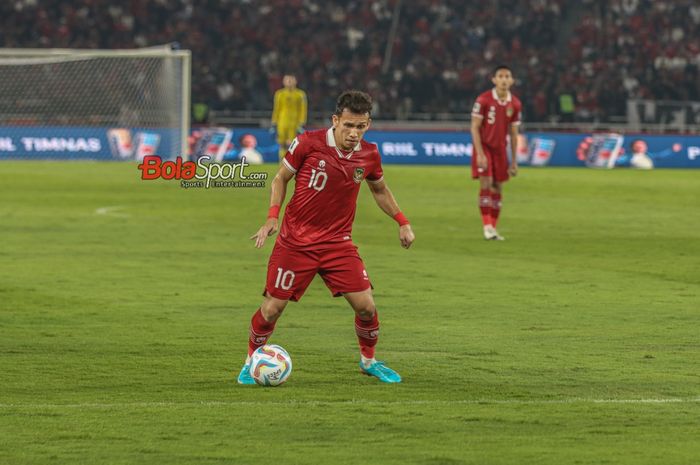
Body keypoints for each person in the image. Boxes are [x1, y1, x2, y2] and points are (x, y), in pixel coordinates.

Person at [238, 90, 415, 384]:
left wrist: (402, 222)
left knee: (367, 306)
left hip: (337, 244)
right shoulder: (309, 143)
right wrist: (272, 217)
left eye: (360, 126)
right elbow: (280, 178)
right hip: (295, 242)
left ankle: (369, 361)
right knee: (271, 309)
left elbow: (380, 190)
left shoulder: (369, 154)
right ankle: (251, 362)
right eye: (348, 125)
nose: (354, 132)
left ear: (368, 125)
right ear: (335, 120)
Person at [470, 65, 522, 240]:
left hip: (500, 149)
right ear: (494, 80)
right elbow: (475, 127)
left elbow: (514, 135)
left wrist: (514, 160)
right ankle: (486, 226)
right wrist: (480, 153)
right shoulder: (483, 100)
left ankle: (493, 227)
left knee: (498, 186)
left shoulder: (514, 104)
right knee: (486, 182)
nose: (504, 79)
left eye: (507, 76)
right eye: (501, 76)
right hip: (484, 146)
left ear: (512, 80)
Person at [271, 74, 308, 159]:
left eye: (291, 80)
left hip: (295, 124)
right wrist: (274, 122)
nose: (289, 82)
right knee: (282, 144)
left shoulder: (300, 94)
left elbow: (303, 109)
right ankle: (282, 163)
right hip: (282, 122)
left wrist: (302, 122)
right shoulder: (279, 94)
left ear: (296, 81)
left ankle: (292, 165)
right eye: (287, 80)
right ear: (283, 82)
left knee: (293, 144)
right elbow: (276, 109)